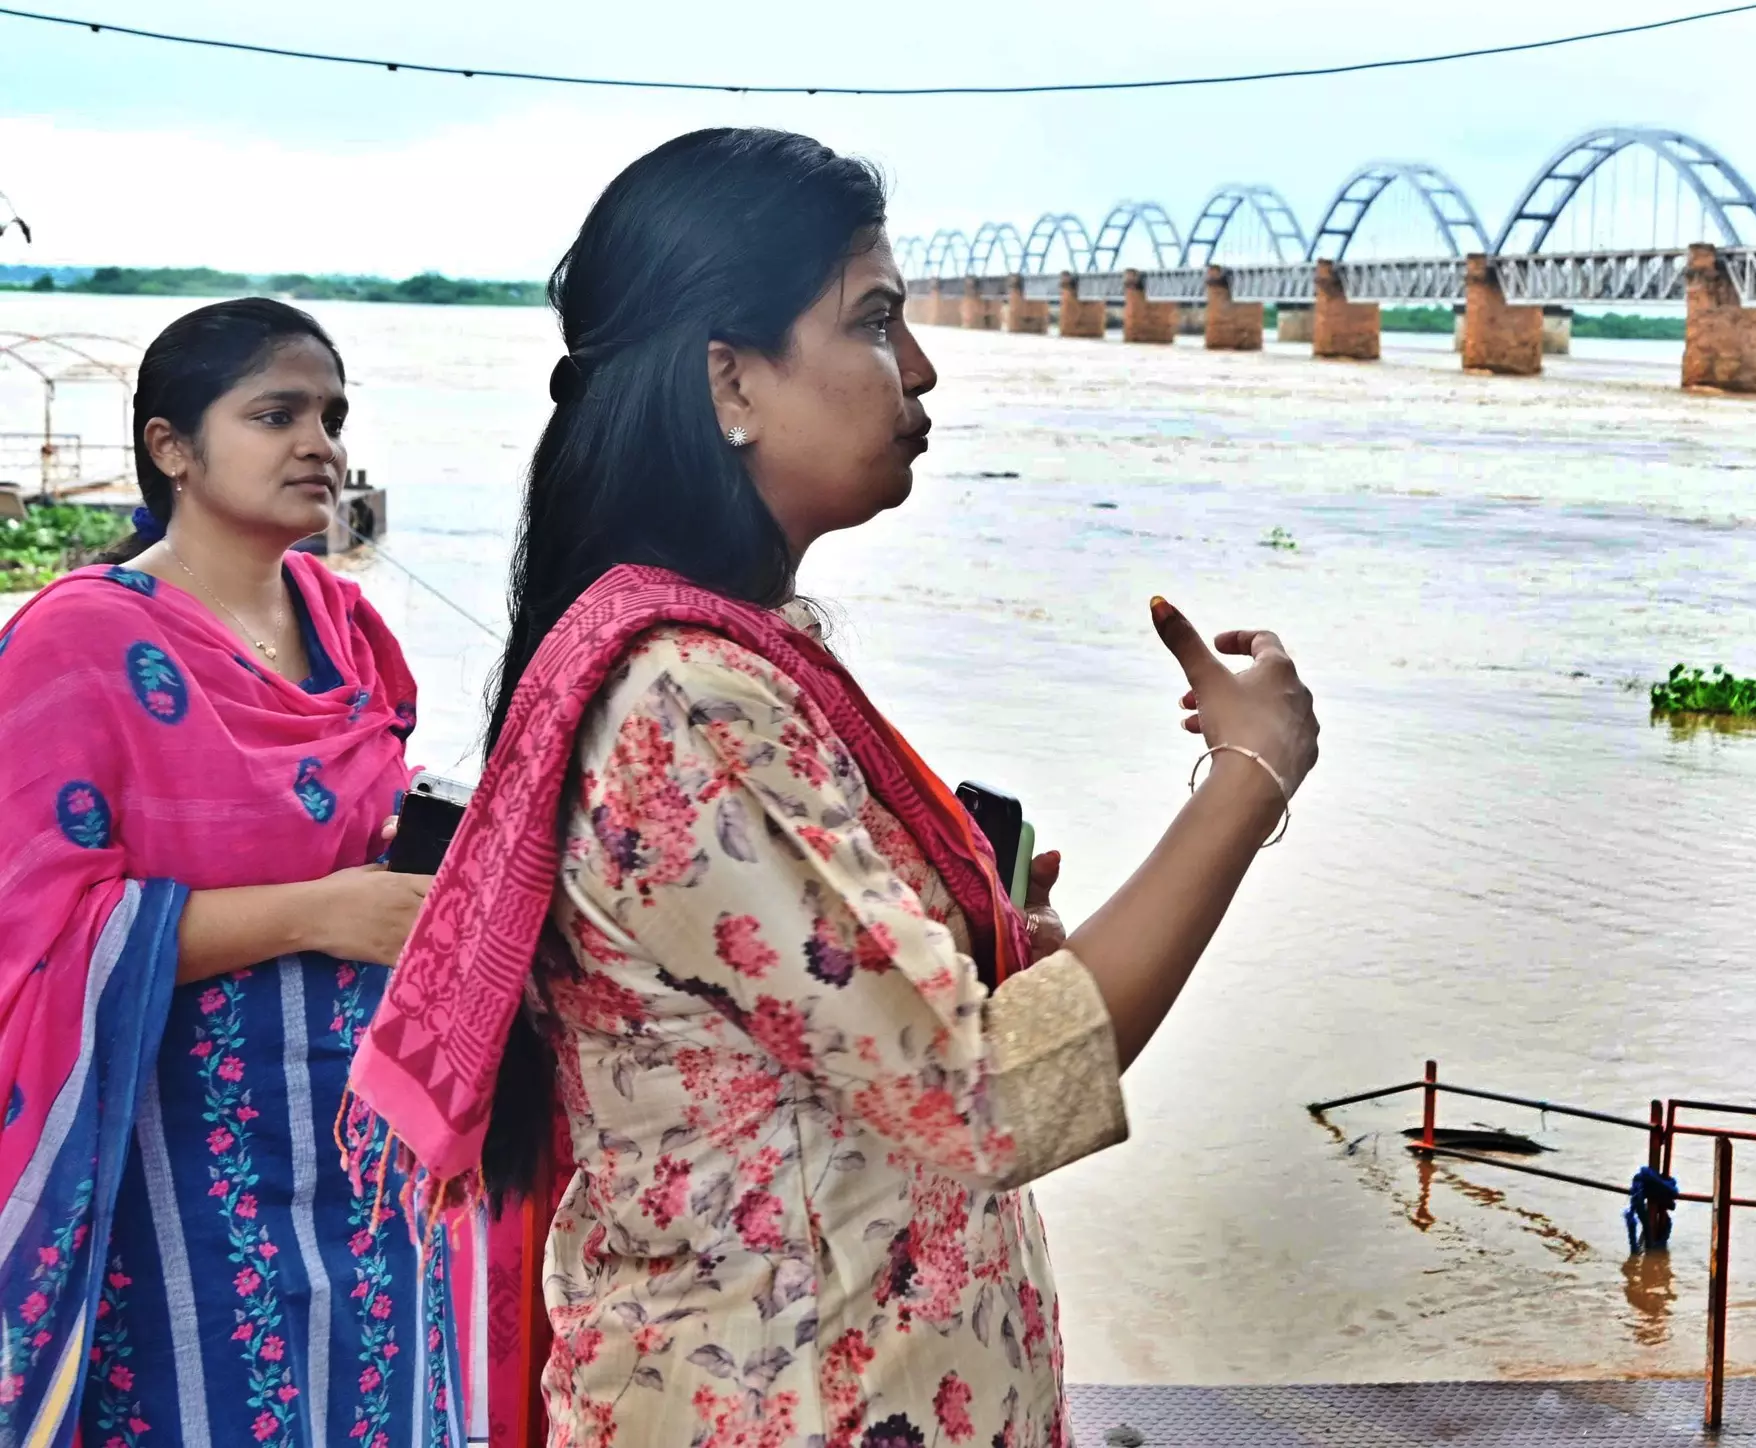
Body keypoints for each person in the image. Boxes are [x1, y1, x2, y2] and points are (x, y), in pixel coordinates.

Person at [346, 128, 1320, 1448]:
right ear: (731, 381)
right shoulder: (690, 700)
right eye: (874, 319)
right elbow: (991, 1096)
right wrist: (1243, 784)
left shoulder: (736, 656)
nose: (919, 368)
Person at [0, 298, 465, 1447]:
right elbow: (37, 932)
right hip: (174, 1162)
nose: (321, 442)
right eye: (276, 413)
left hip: (370, 1148)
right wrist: (318, 913)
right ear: (171, 447)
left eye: (333, 414)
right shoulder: (78, 643)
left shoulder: (349, 623)